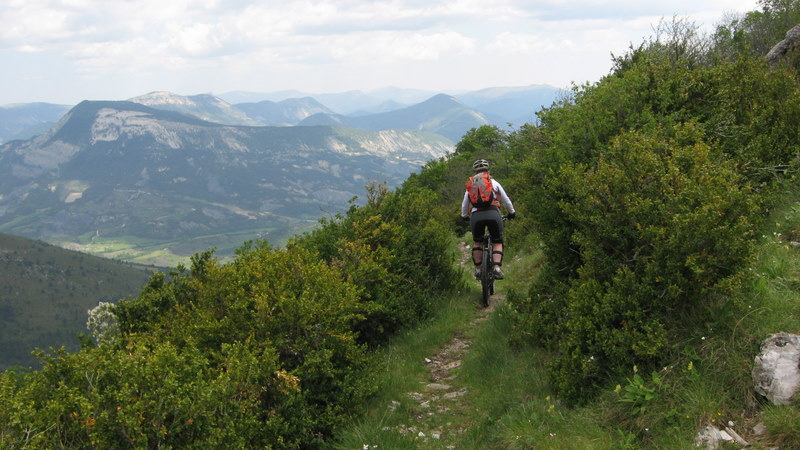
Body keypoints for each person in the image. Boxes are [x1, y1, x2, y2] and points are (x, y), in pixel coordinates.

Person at [461, 159, 516, 280]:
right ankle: (496, 269)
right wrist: (512, 212)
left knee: (477, 242)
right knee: (497, 241)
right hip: (493, 214)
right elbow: (506, 200)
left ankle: (478, 270)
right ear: (488, 171)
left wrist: (464, 216)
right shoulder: (493, 182)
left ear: (475, 171)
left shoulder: (471, 185)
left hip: (476, 216)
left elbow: (464, 206)